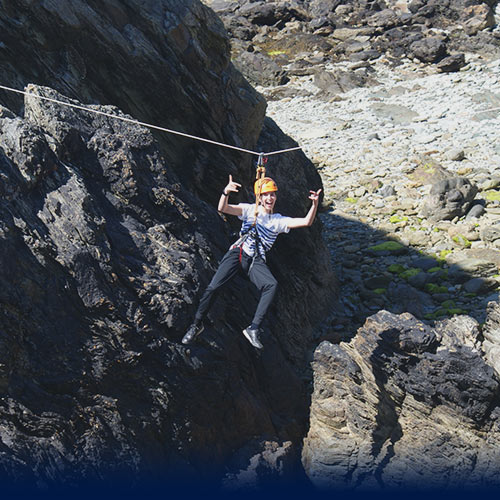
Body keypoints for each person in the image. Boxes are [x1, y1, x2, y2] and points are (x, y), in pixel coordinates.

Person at [182, 174, 322, 349]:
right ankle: (196, 324)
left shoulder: (277, 220)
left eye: (272, 195)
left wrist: (314, 204)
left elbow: (306, 222)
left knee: (271, 285)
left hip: (255, 259)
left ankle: (253, 328)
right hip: (238, 252)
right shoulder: (250, 210)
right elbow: (223, 208)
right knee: (213, 287)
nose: (270, 198)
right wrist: (225, 192)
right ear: (260, 198)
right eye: (266, 195)